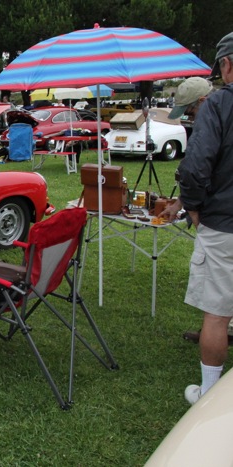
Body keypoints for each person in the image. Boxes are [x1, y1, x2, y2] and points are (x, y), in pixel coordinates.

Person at [170, 32, 233, 405]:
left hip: (223, 225)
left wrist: (193, 208)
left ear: (226, 64)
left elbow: (194, 169)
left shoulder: (219, 104)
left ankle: (209, 395)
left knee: (217, 313)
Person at [158, 77, 214, 222]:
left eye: (192, 113)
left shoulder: (212, 129)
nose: (193, 120)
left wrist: (193, 211)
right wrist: (178, 205)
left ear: (202, 101)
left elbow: (193, 171)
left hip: (219, 217)